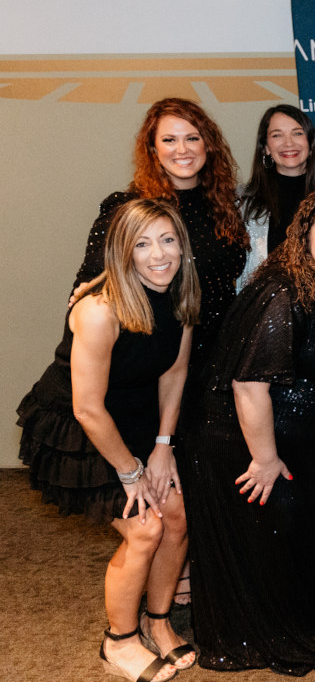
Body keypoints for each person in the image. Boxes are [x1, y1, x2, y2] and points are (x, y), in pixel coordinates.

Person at [185, 190, 315, 674]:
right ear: (304, 238)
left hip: (314, 440)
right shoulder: (283, 292)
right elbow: (249, 385)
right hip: (255, 441)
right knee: (283, 536)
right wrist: (265, 460)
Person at [20, 199, 199, 682]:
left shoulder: (181, 297)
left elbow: (175, 372)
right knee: (144, 529)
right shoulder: (99, 310)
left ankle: (156, 622)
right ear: (121, 254)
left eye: (168, 240)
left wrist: (164, 445)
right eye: (142, 244)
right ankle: (117, 642)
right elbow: (87, 408)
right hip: (79, 426)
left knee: (178, 515)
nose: (158, 255)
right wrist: (133, 473)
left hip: (138, 417)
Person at [75, 98, 247, 373]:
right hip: (157, 363)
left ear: (208, 145)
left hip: (221, 359)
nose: (182, 149)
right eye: (169, 140)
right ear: (153, 149)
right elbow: (91, 289)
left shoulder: (226, 205)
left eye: (192, 138)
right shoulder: (127, 209)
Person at [237, 104, 315, 288]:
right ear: (265, 147)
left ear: (311, 143)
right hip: (265, 308)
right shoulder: (243, 202)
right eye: (277, 135)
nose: (288, 143)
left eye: (297, 133)